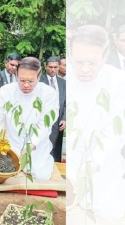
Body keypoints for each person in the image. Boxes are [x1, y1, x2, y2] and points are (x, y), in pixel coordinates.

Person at [67, 25, 125, 221]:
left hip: (106, 172)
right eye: (79, 62)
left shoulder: (118, 82)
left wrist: (90, 166)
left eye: (92, 63)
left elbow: (115, 133)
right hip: (73, 171)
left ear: (105, 55)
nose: (84, 69)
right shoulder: (67, 82)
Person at [0, 57, 58, 181]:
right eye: (22, 80)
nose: (26, 85)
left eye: (31, 81)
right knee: (5, 174)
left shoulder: (48, 93)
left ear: (38, 77)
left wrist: (30, 146)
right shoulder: (7, 91)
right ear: (16, 75)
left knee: (41, 176)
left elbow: (45, 125)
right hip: (13, 143)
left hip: (37, 145)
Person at [39, 56, 66, 163]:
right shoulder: (39, 80)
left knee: (56, 148)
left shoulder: (63, 83)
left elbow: (65, 103)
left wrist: (64, 118)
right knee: (42, 147)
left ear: (59, 67)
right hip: (42, 120)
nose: (53, 70)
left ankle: (56, 173)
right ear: (45, 67)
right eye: (50, 67)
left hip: (58, 121)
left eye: (55, 67)